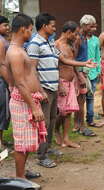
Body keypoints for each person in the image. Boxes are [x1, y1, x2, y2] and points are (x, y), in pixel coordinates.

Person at [26, 13, 96, 168]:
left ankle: (48, 148)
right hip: (44, 89)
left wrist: (85, 63)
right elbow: (32, 70)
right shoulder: (35, 44)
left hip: (53, 88)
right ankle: (41, 156)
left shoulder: (49, 43)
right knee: (43, 123)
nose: (54, 28)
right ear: (44, 26)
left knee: (51, 121)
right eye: (52, 25)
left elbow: (63, 60)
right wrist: (40, 90)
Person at [6, 13, 46, 178]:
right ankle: (20, 178)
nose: (32, 33)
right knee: (21, 143)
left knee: (28, 141)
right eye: (30, 29)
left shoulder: (20, 50)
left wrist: (40, 92)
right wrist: (34, 107)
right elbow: (20, 83)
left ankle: (22, 173)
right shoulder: (15, 52)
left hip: (29, 99)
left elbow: (30, 74)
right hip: (23, 102)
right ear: (23, 30)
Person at [54, 21, 83, 148]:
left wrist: (79, 77)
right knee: (61, 112)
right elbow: (54, 67)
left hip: (71, 82)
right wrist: (59, 84)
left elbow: (72, 63)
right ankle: (55, 131)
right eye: (75, 34)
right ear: (68, 32)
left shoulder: (71, 46)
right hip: (61, 82)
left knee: (69, 111)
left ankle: (66, 138)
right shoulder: (56, 45)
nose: (76, 37)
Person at [73, 15, 100, 135]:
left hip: (84, 72)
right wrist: (79, 74)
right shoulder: (78, 38)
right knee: (80, 100)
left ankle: (79, 125)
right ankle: (80, 126)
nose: (93, 28)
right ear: (84, 25)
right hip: (80, 72)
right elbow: (73, 58)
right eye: (90, 26)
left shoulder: (84, 38)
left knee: (82, 100)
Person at [0, 16, 10, 149]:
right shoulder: (1, 41)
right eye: (5, 25)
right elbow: (2, 63)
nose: (8, 28)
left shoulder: (3, 40)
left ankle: (1, 140)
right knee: (2, 110)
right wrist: (10, 82)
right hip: (2, 81)